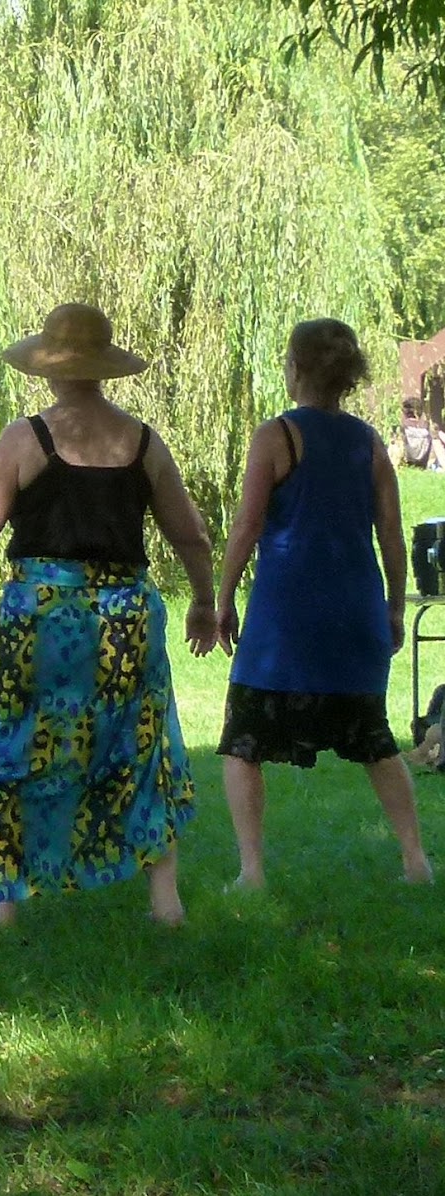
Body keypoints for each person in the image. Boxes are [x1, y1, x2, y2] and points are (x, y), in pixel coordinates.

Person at [0, 303, 216, 929]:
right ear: (103, 369)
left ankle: (2, 906)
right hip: (127, 617)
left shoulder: (27, 438)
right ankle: (166, 904)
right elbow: (191, 537)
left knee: (13, 744)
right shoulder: (144, 442)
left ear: (49, 367)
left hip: (41, 621)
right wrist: (206, 602)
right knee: (142, 744)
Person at [217, 318, 433, 889]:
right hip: (354, 611)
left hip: (285, 618)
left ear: (295, 368)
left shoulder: (276, 436)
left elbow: (247, 526)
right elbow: (392, 533)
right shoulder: (369, 444)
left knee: (243, 743)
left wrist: (222, 597)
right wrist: (391, 606)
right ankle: (415, 861)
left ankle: (252, 871)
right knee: (374, 740)